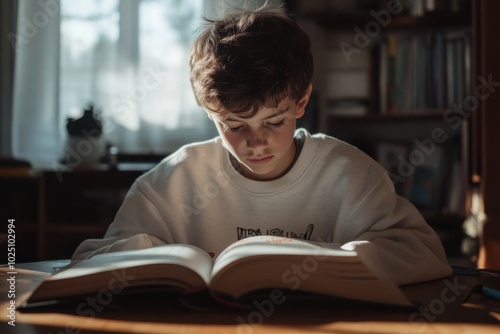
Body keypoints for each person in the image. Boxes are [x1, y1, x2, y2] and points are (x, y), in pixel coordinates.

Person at [72, 6, 452, 285]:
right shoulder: (174, 180)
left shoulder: (350, 174)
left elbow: (425, 255)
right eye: (234, 126)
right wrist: (165, 255)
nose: (257, 142)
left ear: (302, 101)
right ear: (209, 113)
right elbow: (89, 260)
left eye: (275, 121)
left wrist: (317, 260)